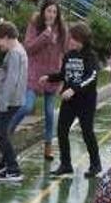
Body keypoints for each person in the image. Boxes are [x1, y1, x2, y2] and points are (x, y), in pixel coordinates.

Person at [44, 23, 102, 177]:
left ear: (81, 40)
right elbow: (64, 74)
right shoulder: (69, 55)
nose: (70, 41)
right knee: (62, 130)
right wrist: (49, 77)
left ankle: (96, 164)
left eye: (73, 39)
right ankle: (65, 163)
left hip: (86, 101)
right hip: (69, 101)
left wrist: (74, 89)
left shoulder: (91, 56)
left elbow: (92, 77)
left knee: (87, 132)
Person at [12, 0, 66, 161]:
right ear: (43, 12)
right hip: (34, 74)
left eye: (55, 12)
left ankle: (48, 146)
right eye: (49, 11)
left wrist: (61, 78)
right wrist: (45, 35)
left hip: (52, 75)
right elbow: (28, 48)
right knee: (27, 107)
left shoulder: (62, 29)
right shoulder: (35, 25)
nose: (51, 14)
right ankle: (7, 131)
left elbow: (64, 53)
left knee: (50, 113)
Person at [0, 22, 28, 182]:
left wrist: (3, 103)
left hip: (8, 100)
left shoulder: (15, 53)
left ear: (5, 37)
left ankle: (13, 168)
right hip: (6, 99)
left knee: (1, 133)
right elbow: (6, 72)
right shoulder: (15, 52)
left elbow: (12, 79)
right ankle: (6, 162)